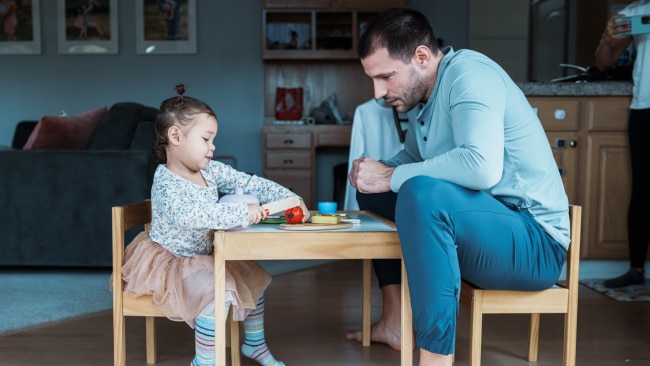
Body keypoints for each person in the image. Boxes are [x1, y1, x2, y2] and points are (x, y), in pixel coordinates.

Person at [346, 8, 570, 365]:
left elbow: (481, 168)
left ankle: (436, 357)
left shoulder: (469, 76)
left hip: (535, 243)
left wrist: (391, 175)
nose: (378, 92)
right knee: (378, 190)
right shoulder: (425, 98)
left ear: (421, 56)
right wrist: (377, 171)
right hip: (487, 226)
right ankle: (394, 322)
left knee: (421, 192)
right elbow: (410, 160)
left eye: (386, 76)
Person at [119, 84, 308, 366]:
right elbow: (192, 215)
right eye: (206, 139)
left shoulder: (210, 170)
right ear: (175, 136)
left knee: (255, 282)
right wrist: (240, 213)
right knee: (216, 297)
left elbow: (248, 182)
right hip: (172, 261)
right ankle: (204, 361)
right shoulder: (166, 182)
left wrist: (288, 196)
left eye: (213, 140)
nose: (213, 147)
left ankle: (254, 344)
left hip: (205, 255)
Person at [595, 1, 649, 288]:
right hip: (644, 108)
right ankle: (636, 269)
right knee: (642, 189)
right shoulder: (635, 11)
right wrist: (608, 39)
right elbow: (605, 62)